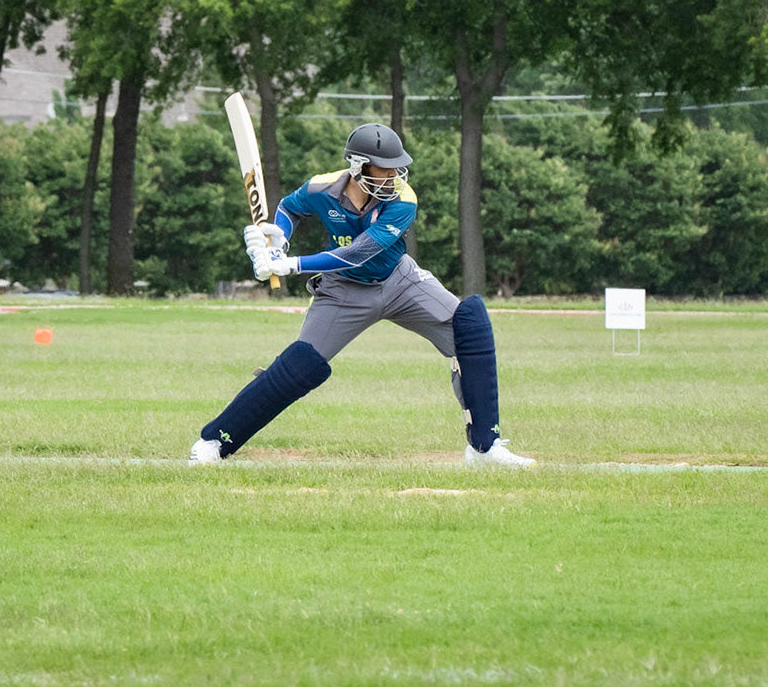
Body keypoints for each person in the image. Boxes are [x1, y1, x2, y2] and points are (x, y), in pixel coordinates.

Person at [191, 123, 535, 467]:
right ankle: (214, 441)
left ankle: (485, 448)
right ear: (358, 166)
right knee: (299, 366)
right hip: (341, 290)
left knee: (470, 325)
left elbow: (359, 252)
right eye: (385, 168)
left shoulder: (403, 199)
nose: (393, 175)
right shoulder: (321, 187)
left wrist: (291, 264)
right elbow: (289, 207)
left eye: (397, 167)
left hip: (400, 280)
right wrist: (278, 240)